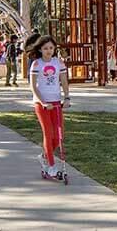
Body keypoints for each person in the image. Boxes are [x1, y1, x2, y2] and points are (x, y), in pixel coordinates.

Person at [28, 35, 70, 179]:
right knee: (48, 133)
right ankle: (51, 166)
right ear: (40, 49)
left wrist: (67, 97)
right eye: (45, 48)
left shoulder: (59, 63)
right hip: (42, 104)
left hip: (56, 102)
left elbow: (64, 81)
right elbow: (33, 86)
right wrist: (43, 102)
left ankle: (44, 156)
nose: (48, 51)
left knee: (59, 136)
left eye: (51, 48)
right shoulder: (36, 64)